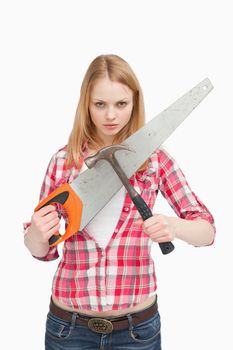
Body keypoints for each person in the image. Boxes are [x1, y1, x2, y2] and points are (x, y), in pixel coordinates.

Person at [24, 54, 215, 350]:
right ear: (86, 104)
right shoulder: (64, 163)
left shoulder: (155, 161)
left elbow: (207, 232)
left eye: (121, 104)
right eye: (100, 104)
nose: (110, 115)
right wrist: (36, 234)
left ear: (135, 102)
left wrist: (174, 226)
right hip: (69, 329)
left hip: (137, 331)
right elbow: (42, 251)